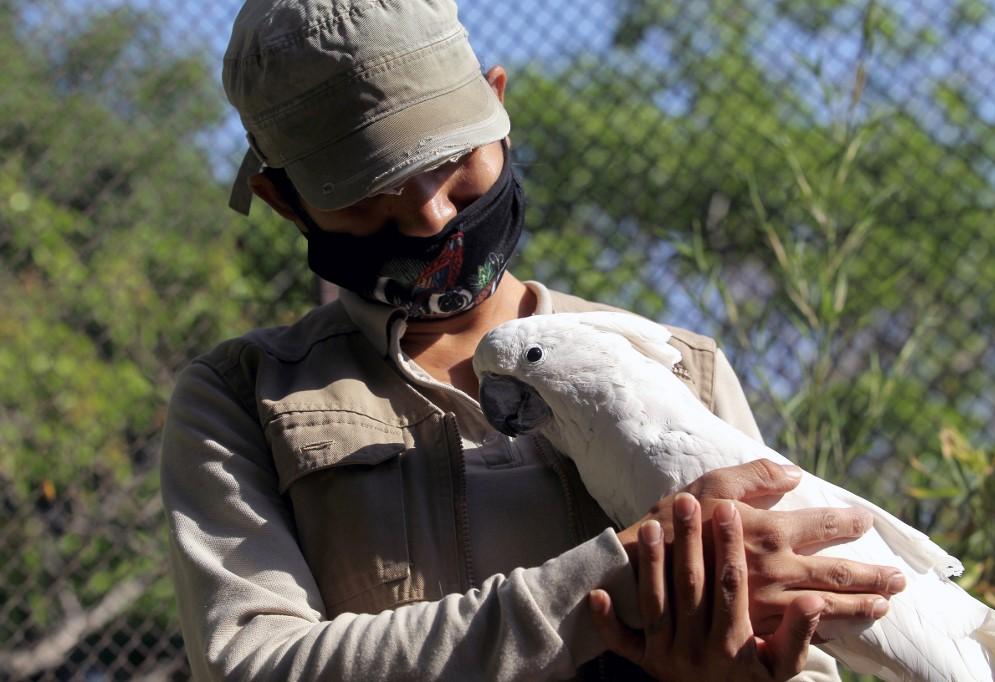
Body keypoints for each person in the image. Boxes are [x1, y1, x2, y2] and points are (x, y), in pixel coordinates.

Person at [160, 0, 906, 679]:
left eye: (453, 164)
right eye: (369, 196)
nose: (429, 217)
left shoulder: (679, 367)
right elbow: (254, 666)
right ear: (282, 201)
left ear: (498, 106)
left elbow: (795, 649)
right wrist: (612, 584)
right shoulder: (243, 398)